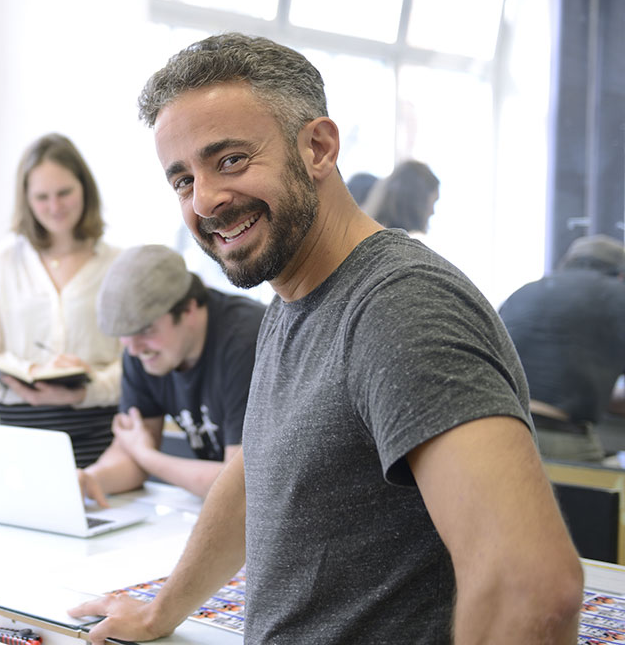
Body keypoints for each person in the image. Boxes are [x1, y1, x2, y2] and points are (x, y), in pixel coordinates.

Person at [69, 33, 582, 642]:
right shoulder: (293, 297)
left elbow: (531, 588)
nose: (206, 200)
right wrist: (162, 609)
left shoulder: (399, 307)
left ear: (318, 147)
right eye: (183, 180)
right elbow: (259, 477)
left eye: (230, 160)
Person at [0, 132, 122, 468]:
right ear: (26, 200)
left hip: (96, 433)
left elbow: (135, 365)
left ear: (85, 188)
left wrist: (88, 387)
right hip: (21, 434)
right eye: (42, 197)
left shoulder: (115, 264)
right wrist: (27, 373)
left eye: (64, 192)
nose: (55, 207)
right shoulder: (5, 260)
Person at [78, 244, 264, 503]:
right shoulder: (142, 350)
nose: (133, 350)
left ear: (187, 309)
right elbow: (130, 449)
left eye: (145, 329)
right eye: (124, 336)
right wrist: (89, 480)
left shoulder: (246, 341)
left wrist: (148, 457)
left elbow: (242, 488)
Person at [499, 234, 625, 463]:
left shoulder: (525, 291)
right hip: (561, 437)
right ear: (621, 274)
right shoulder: (617, 296)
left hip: (499, 428)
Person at [363, 158, 439, 235]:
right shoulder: (395, 242)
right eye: (433, 202)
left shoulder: (374, 233)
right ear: (418, 201)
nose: (432, 212)